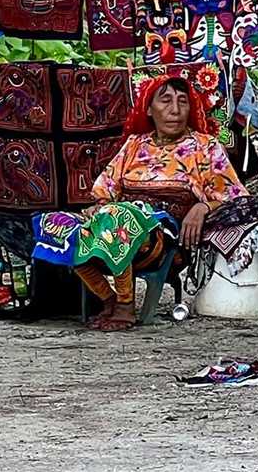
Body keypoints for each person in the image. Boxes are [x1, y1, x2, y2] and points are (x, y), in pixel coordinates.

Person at [34, 75, 244, 331]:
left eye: (182, 102)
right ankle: (108, 299)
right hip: (115, 226)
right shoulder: (135, 144)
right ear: (148, 108)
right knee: (55, 223)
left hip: (163, 238)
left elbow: (235, 197)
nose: (175, 110)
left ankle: (125, 305)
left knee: (121, 217)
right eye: (165, 101)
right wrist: (97, 209)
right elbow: (105, 190)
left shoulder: (204, 147)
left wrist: (203, 207)